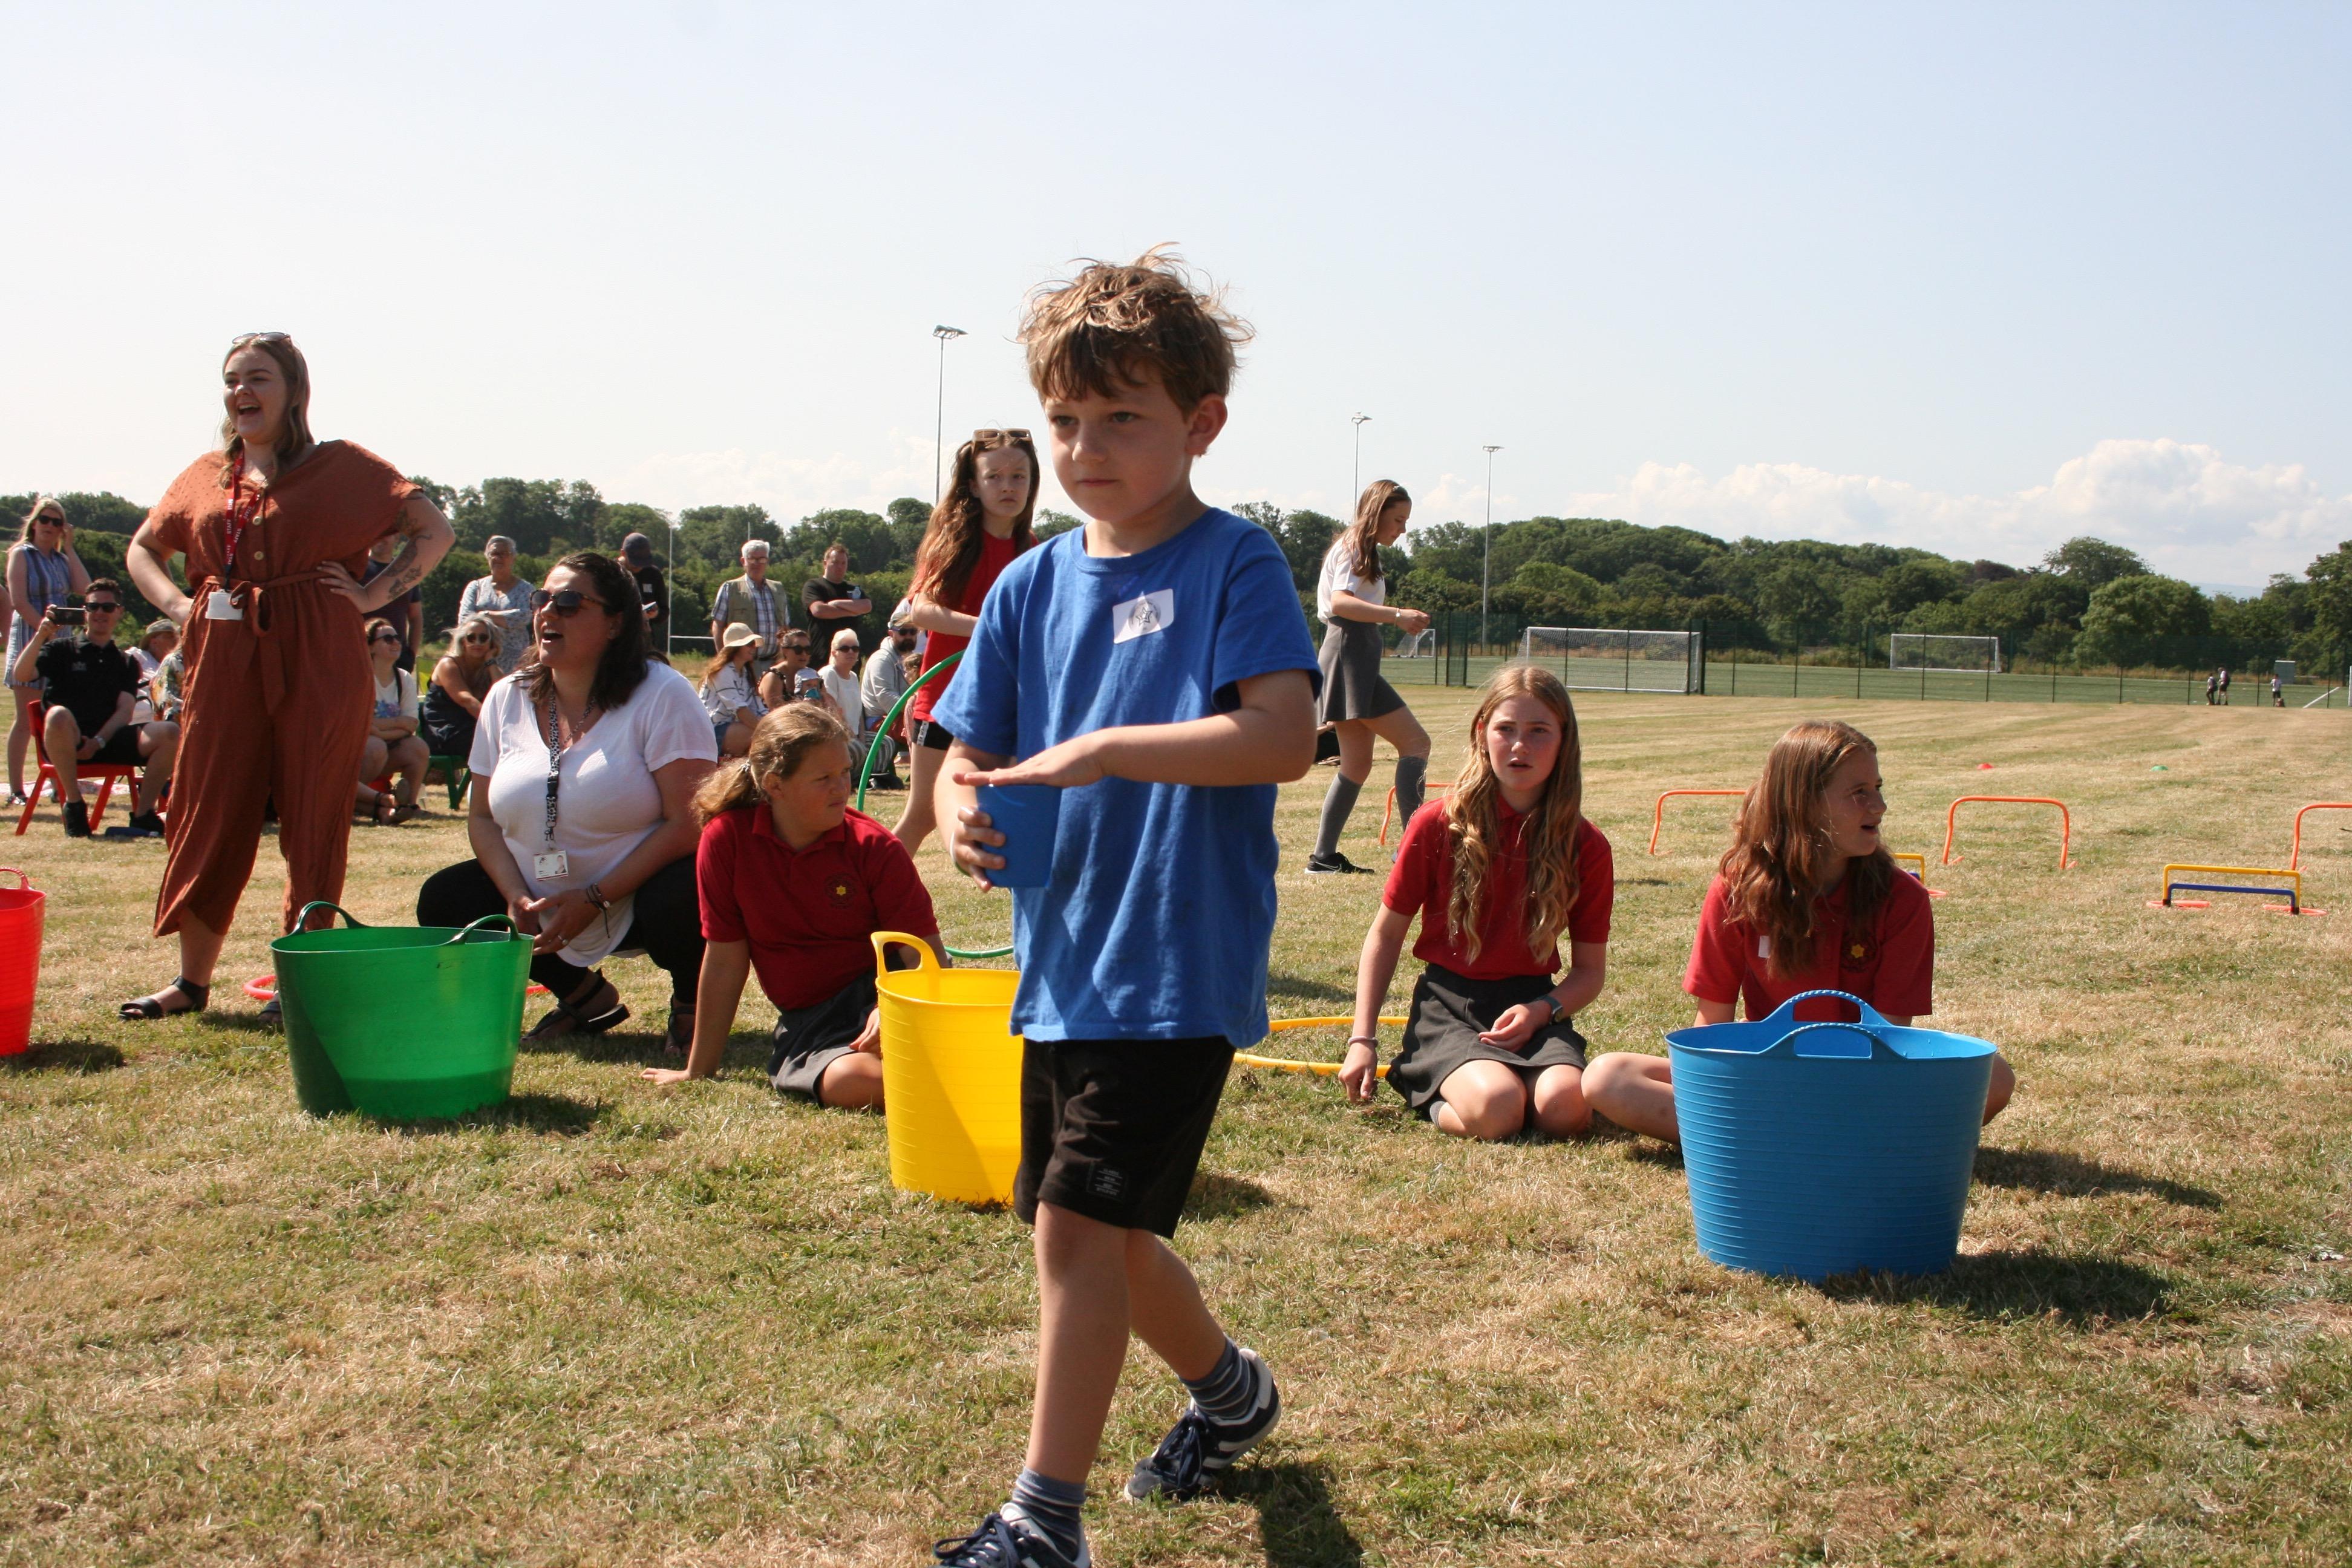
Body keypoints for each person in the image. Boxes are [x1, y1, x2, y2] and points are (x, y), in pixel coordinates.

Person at [932, 249, 1318, 1567]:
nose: (1085, 449)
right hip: (1063, 963)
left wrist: (1104, 749)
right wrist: (961, 808)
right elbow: (966, 747)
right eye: (1065, 420)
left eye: (1122, 418)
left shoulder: (1235, 562)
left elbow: (1282, 736)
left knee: (1078, 1226)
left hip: (1176, 961)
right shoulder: (1029, 584)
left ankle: (1045, 1521)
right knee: (1102, 1223)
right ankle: (1232, 1393)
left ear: (1202, 424)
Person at [119, 332, 454, 1021]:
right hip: (223, 656)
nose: (241, 391)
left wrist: (372, 594)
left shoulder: (344, 467)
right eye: (232, 379)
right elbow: (143, 548)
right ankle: (191, 982)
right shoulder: (207, 475)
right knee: (210, 805)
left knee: (314, 811)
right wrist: (180, 607)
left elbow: (435, 531)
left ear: (295, 390)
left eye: (258, 378)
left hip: (319, 651)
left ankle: (298, 979)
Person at [1583, 718, 2016, 1141]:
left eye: (1878, 788)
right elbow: (1711, 1024)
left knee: (1992, 1076)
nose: (1879, 806)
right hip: (1768, 1075)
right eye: (1859, 793)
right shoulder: (1737, 890)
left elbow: (1891, 1037)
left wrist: (1836, 1095)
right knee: (1609, 1077)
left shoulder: (1902, 898)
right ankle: (1836, 1141)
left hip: (1867, 1084)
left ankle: (1772, 1140)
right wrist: (1717, 1090)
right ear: (1803, 804)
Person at [417, 552, 717, 1050]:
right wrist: (515, 895)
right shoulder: (506, 697)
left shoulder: (663, 693)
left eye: (570, 602)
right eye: (543, 599)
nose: (548, 612)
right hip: (543, 895)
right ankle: (586, 997)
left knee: (690, 887)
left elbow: (689, 822)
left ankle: (691, 1002)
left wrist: (596, 896)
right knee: (447, 899)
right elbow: (483, 818)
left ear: (616, 622)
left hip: (638, 895)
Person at [1339, 665, 1611, 1140]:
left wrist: (1543, 1009)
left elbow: (1590, 972)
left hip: (1534, 1006)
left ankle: (1512, 1085)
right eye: (1506, 729)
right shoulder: (1435, 825)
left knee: (1565, 1110)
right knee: (1498, 1108)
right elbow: (1386, 934)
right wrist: (1362, 1038)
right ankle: (1425, 1081)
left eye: (1539, 731)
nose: (1520, 746)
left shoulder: (1586, 845)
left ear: (1564, 741)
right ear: (1483, 734)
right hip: (1449, 1007)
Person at [642, 704, 944, 1106]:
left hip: (889, 1001)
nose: (841, 788)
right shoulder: (727, 839)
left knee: (896, 1070)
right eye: (823, 778)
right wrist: (699, 1069)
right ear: (775, 785)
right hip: (813, 1022)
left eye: (845, 773)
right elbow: (725, 958)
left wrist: (892, 1008)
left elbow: (927, 958)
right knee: (853, 1081)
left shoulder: (875, 847)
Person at [895, 428, 1040, 855]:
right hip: (945, 699)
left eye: (1018, 476)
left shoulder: (1030, 548)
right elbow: (921, 611)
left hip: (1007, 702)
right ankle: (871, 887)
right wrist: (990, 627)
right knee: (923, 815)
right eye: (994, 477)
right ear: (974, 485)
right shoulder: (955, 542)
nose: (1008, 486)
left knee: (1009, 811)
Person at [1306, 479, 1432, 874]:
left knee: (1357, 765)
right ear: (1377, 514)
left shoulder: (1361, 548)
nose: (1403, 529)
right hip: (1348, 654)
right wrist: (1397, 615)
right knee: (1416, 743)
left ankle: (1323, 858)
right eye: (1398, 520)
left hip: (1349, 653)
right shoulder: (1355, 546)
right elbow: (1341, 603)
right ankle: (1413, 850)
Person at [9, 581, 178, 838]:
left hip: (108, 740)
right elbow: (22, 674)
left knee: (170, 731)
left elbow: (124, 711)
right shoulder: (60, 649)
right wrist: (41, 635)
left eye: (107, 607)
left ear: (119, 612)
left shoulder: (126, 661)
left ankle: (144, 814)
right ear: (84, 611)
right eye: (93, 607)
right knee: (58, 714)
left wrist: (99, 741)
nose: (100, 612)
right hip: (66, 741)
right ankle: (74, 805)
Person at [8, 497, 92, 804]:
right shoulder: (22, 554)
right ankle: (16, 789)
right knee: (25, 718)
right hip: (30, 636)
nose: (50, 526)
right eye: (45, 520)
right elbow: (19, 600)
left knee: (57, 714)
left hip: (61, 643)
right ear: (34, 523)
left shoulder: (60, 560)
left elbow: (85, 589)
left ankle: (60, 785)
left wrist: (69, 547)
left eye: (57, 523)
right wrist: (43, 631)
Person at [355, 616, 429, 826]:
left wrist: (379, 730)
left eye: (398, 638)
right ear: (370, 647)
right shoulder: (360, 677)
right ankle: (373, 802)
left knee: (418, 748)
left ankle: (407, 805)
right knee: (376, 747)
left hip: (386, 744)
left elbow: (411, 724)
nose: (396, 642)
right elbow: (360, 725)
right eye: (388, 639)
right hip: (358, 753)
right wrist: (396, 723)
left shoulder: (403, 678)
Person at [422, 613, 503, 762]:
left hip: (473, 726)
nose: (477, 642)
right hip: (445, 730)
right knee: (497, 743)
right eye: (471, 638)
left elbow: (505, 695)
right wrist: (497, 726)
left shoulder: (488, 668)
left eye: (483, 638)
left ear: (491, 643)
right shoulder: (448, 664)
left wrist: (491, 662)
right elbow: (467, 700)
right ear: (463, 641)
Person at [458, 534, 535, 673]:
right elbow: (465, 618)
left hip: (514, 661)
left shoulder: (526, 589)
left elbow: (524, 616)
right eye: (494, 554)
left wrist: (484, 615)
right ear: (487, 557)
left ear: (513, 558)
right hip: (478, 659)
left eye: (504, 553)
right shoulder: (476, 587)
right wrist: (503, 619)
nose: (498, 558)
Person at [859, 611, 918, 790]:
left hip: (897, 717)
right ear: (891, 633)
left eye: (913, 632)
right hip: (879, 720)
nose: (909, 636)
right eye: (903, 632)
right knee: (923, 728)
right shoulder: (882, 659)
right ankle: (923, 775)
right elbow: (886, 698)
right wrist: (915, 709)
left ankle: (922, 773)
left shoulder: (907, 656)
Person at [710, 539, 783, 678]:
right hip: (742, 664)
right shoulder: (731, 588)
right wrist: (724, 659)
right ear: (743, 561)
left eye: (762, 559)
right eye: (752, 559)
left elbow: (785, 626)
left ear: (767, 561)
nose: (757, 563)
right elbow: (718, 626)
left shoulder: (778, 589)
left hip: (774, 664)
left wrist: (783, 660)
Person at [361, 532, 425, 674]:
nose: (380, 538)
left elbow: (415, 617)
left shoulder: (406, 572)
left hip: (396, 655)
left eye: (386, 534)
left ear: (397, 538)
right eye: (377, 533)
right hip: (361, 653)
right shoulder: (358, 569)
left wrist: (411, 653)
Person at [699, 622, 766, 757]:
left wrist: (776, 723)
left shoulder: (746, 674)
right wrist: (769, 730)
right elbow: (740, 711)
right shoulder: (722, 673)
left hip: (730, 727)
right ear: (736, 648)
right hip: (711, 731)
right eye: (750, 644)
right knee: (759, 736)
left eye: (754, 644)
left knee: (767, 735)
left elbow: (757, 707)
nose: (754, 647)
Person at [800, 541, 873, 653]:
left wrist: (837, 604)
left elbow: (867, 606)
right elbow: (819, 610)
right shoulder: (814, 586)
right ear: (825, 564)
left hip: (850, 653)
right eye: (835, 562)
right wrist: (853, 611)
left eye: (844, 563)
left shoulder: (853, 589)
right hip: (822, 653)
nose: (840, 567)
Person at [618, 531, 668, 648]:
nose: (639, 566)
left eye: (643, 562)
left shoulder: (654, 574)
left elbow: (664, 611)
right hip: (618, 638)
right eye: (635, 562)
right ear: (623, 553)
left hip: (645, 641)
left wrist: (655, 614)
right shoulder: (613, 573)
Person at [129, 618, 178, 725]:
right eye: (169, 637)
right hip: (134, 720)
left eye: (176, 637)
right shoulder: (139, 656)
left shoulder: (175, 665)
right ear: (154, 642)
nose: (176, 640)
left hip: (162, 723)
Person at [757, 628, 817, 712]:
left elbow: (825, 703)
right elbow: (777, 711)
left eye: (808, 650)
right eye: (798, 650)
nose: (804, 654)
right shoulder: (774, 677)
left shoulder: (812, 675)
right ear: (785, 651)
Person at [818, 628, 863, 736]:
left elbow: (859, 714)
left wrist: (862, 738)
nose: (851, 652)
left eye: (855, 649)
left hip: (854, 736)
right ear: (834, 653)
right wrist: (852, 739)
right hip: (836, 735)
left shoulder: (853, 677)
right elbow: (831, 712)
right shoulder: (829, 674)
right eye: (845, 649)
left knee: (885, 742)